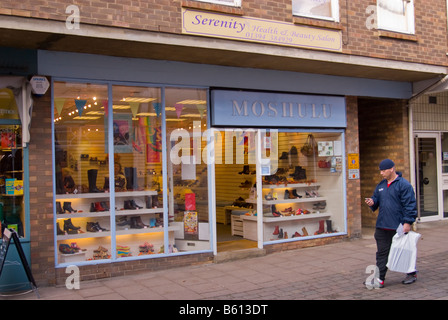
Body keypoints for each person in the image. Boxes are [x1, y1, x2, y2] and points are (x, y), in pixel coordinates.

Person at [365, 159, 418, 288]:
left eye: (383, 170)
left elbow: (410, 204)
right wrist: (372, 202)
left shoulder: (403, 185)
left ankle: (411, 273)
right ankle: (379, 278)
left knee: (404, 251)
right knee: (382, 253)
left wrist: (407, 222)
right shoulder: (381, 185)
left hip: (398, 225)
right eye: (380, 171)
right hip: (382, 225)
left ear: (392, 169)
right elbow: (376, 199)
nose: (381, 173)